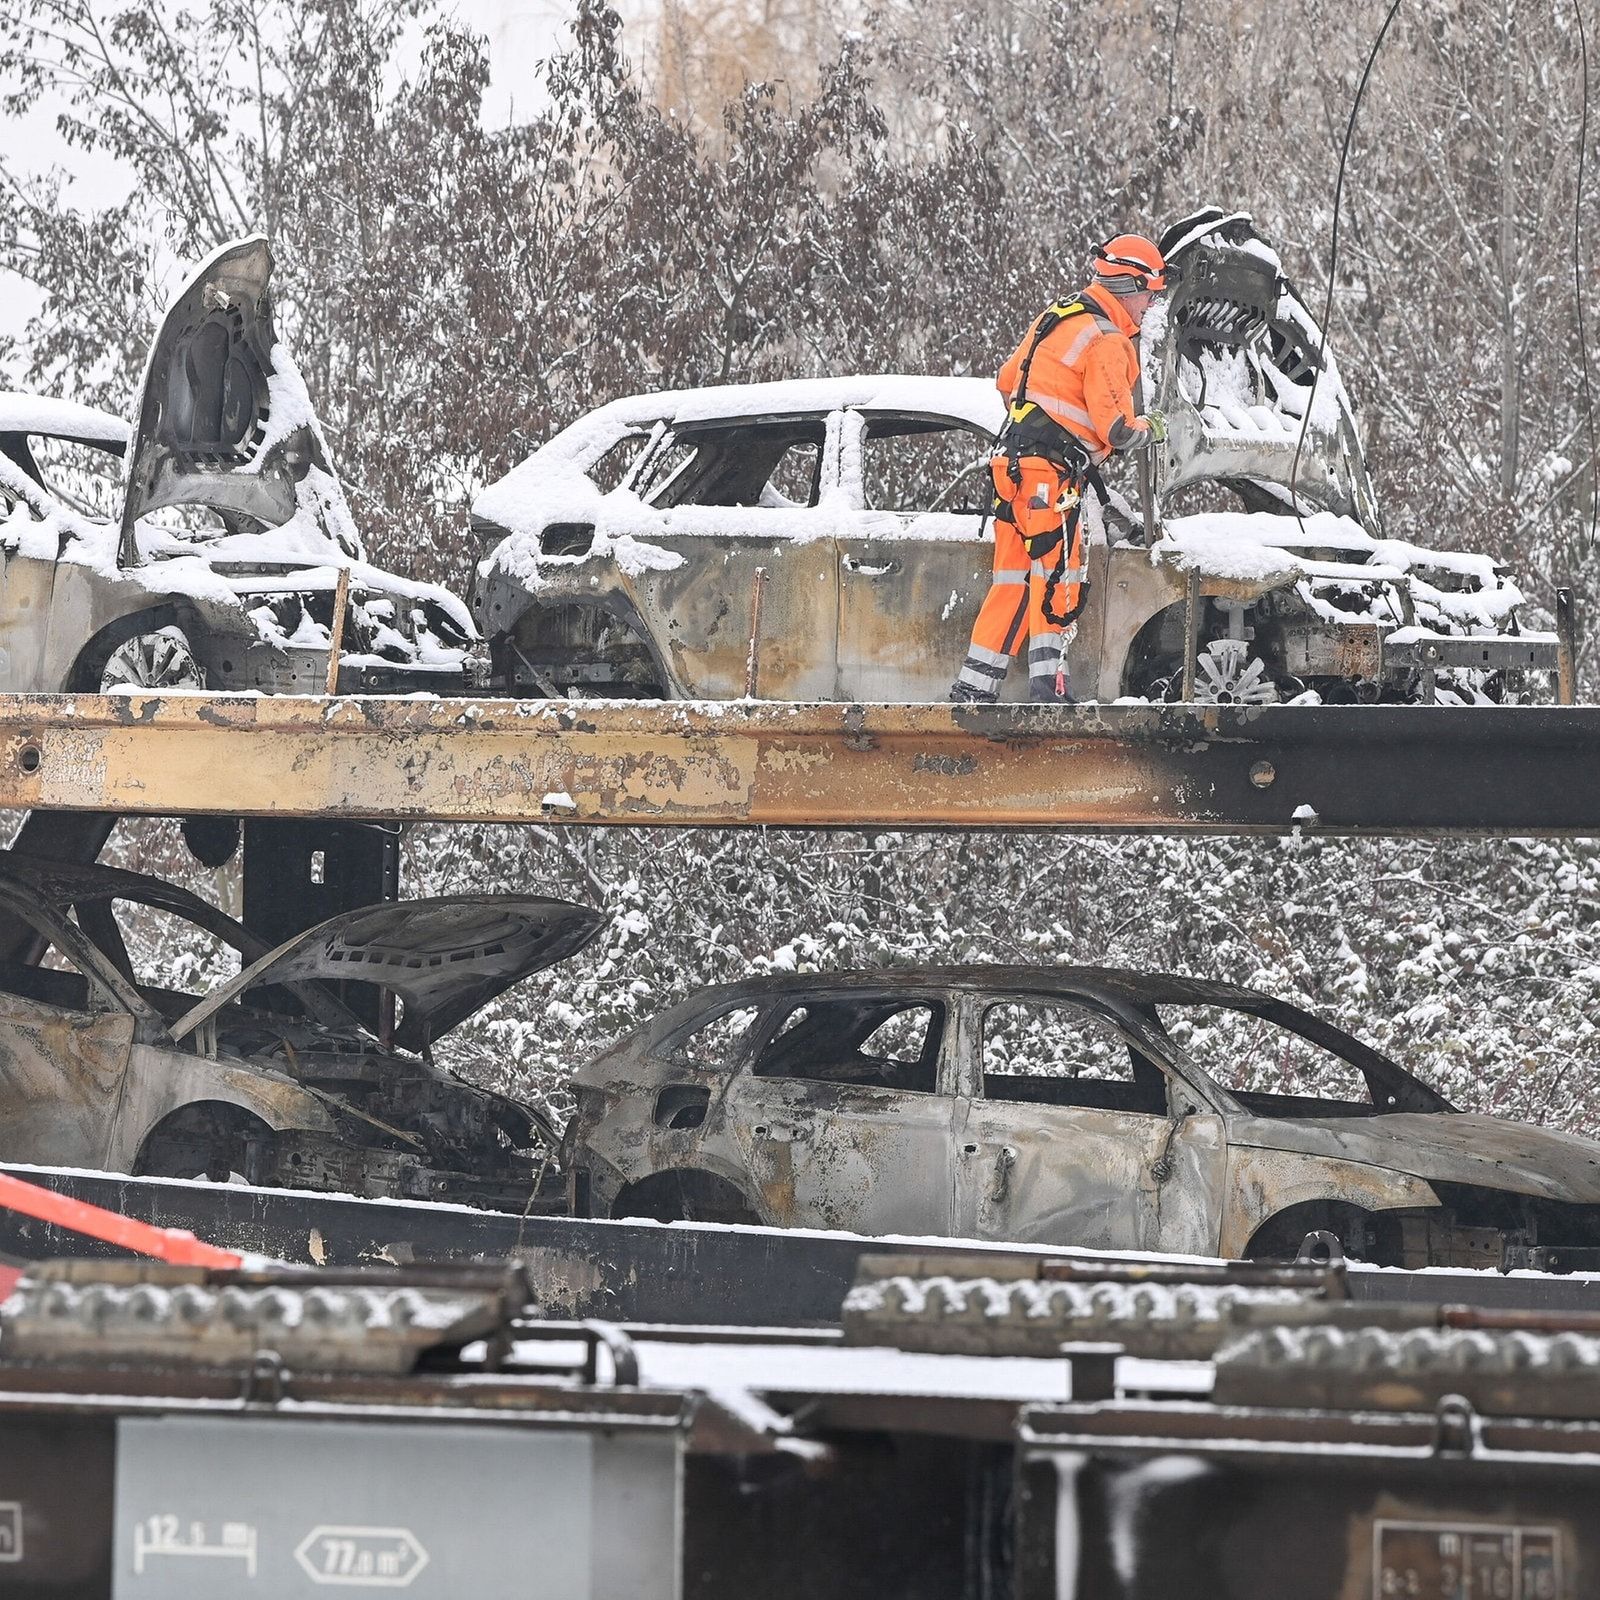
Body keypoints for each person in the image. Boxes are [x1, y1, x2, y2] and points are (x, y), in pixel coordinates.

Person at [951, 234, 1168, 704]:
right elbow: (1118, 429)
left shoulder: (1060, 315)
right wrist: (1154, 427)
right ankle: (1049, 688)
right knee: (1056, 576)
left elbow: (1007, 382)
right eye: (1151, 294)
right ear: (1131, 285)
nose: (1152, 306)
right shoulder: (1108, 339)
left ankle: (974, 689)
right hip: (1049, 477)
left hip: (1012, 467)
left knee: (1012, 578)